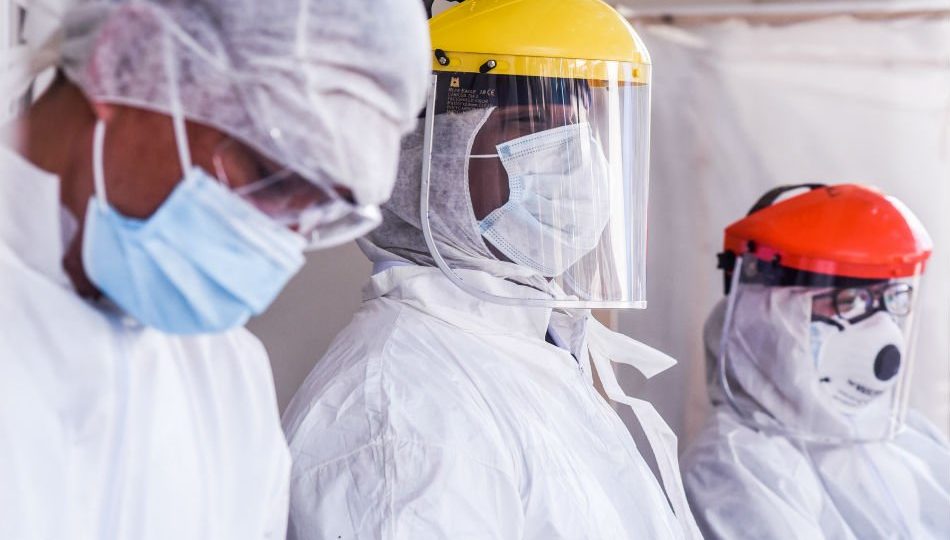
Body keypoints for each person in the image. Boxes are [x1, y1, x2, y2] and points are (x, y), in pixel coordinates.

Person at [0, 0, 428, 538]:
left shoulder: (229, 379)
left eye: (317, 212)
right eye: (271, 177)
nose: (278, 242)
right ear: (130, 57)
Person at [282, 0, 702, 538]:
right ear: (427, 161)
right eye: (528, 126)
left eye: (575, 128)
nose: (572, 159)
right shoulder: (404, 411)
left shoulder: (523, 354)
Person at [681, 184, 950, 539]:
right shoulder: (735, 465)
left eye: (891, 299)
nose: (884, 332)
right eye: (849, 300)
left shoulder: (902, 437)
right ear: (771, 316)